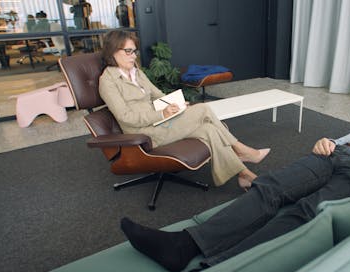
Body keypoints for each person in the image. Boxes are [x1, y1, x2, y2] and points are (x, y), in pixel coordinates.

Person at [119, 90, 350, 272]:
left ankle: (219, 270)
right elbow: (344, 137)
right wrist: (327, 140)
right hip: (334, 154)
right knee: (271, 188)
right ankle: (184, 246)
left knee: (307, 212)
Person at [99, 30, 269, 189]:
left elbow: (157, 94)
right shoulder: (108, 81)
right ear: (113, 51)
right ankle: (241, 149)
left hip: (161, 123)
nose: (133, 56)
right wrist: (161, 113)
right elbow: (125, 117)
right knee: (202, 109)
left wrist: (176, 103)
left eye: (134, 51)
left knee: (209, 129)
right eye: (128, 51)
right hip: (145, 133)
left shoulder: (136, 72)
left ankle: (244, 175)